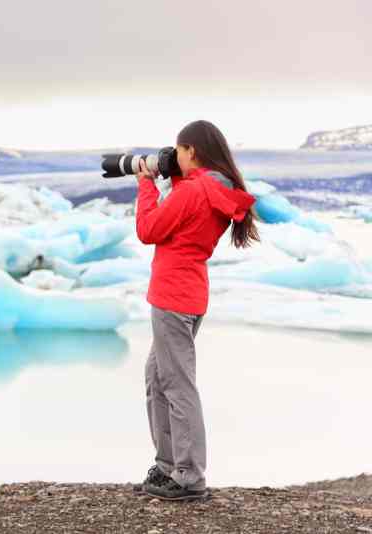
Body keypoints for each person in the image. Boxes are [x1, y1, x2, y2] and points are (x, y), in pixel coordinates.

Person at [133, 120, 259, 500]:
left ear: (192, 151)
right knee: (158, 378)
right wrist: (173, 182)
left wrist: (145, 182)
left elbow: (149, 229)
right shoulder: (216, 190)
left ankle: (188, 475)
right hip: (188, 294)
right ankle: (168, 465)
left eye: (179, 150)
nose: (176, 157)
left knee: (175, 383)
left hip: (172, 296)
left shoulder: (196, 191)